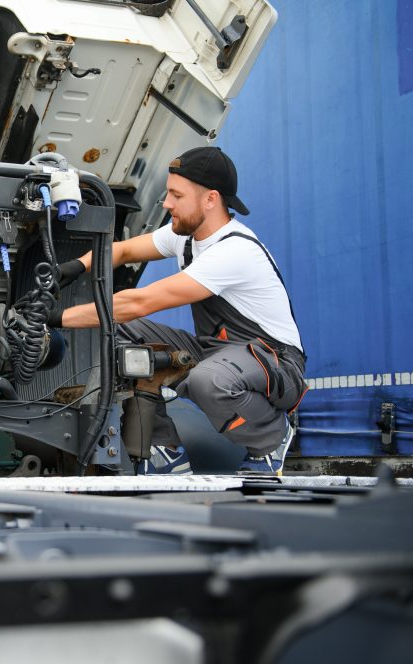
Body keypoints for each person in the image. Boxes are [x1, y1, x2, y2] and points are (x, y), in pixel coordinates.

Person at [50, 147, 307, 476]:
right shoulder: (186, 237)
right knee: (127, 336)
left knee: (207, 379)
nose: (166, 203)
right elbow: (124, 250)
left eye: (176, 195)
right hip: (221, 352)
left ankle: (271, 439)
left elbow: (138, 302)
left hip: (276, 364)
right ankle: (165, 449)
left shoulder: (234, 250)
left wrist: (55, 318)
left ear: (210, 199)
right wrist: (67, 270)